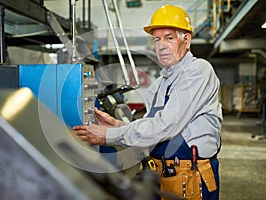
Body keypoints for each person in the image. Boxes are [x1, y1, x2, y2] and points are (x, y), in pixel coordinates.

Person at [73, 4, 222, 200]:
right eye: (156, 39)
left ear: (186, 39)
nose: (161, 46)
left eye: (169, 38)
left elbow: (165, 126)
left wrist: (109, 135)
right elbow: (152, 126)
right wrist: (120, 125)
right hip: (163, 174)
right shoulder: (160, 83)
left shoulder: (199, 71)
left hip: (192, 177)